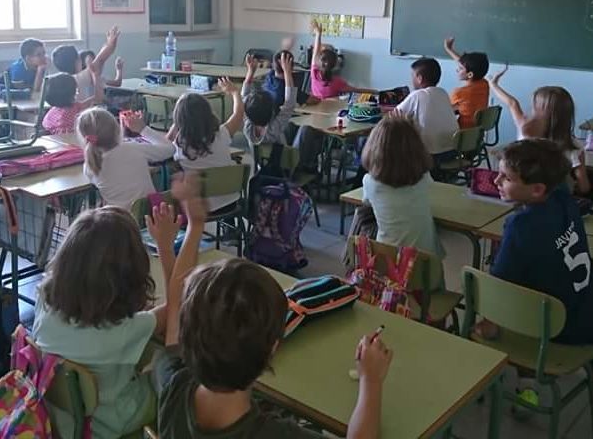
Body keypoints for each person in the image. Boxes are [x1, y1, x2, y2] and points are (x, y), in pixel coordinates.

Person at [152, 180, 393, 439]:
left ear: (188, 336)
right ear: (273, 349)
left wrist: (195, 228)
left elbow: (176, 310)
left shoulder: (173, 386)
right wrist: (371, 381)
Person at [481, 139, 593, 433]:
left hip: (553, 327)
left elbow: (499, 285)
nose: (496, 180)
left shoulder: (520, 227)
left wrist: (487, 324)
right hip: (591, 312)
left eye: (507, 177)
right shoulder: (564, 199)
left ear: (537, 189)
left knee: (519, 318)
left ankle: (526, 385)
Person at [33, 202, 174, 438]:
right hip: (110, 423)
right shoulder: (119, 332)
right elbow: (175, 308)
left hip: (59, 420)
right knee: (170, 370)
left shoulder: (43, 302)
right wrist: (166, 248)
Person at [489, 66, 591, 195]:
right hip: (555, 202)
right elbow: (584, 187)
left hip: (521, 198)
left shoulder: (526, 134)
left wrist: (493, 84)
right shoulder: (574, 147)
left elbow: (512, 103)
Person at [360, 114, 444, 258]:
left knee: (365, 219)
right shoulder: (424, 177)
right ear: (417, 148)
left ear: (374, 149)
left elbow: (366, 203)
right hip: (428, 262)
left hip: (389, 260)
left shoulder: (370, 182)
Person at [168, 79, 244, 212]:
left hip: (200, 208)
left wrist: (178, 123)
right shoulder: (221, 134)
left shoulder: (180, 146)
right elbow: (238, 114)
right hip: (231, 201)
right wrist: (235, 93)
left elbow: (165, 144)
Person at [78, 107, 175, 211]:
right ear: (116, 128)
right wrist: (143, 129)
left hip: (120, 221)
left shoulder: (90, 165)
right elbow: (170, 149)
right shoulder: (133, 148)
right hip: (150, 215)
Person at [393, 57, 458, 168]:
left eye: (412, 76)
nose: (411, 80)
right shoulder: (443, 93)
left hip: (428, 155)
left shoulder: (417, 95)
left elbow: (395, 115)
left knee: (388, 146)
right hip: (453, 151)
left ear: (419, 78)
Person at [242, 52, 298, 148]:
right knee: (301, 129)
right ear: (272, 111)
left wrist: (250, 71)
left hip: (257, 163)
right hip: (282, 162)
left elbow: (244, 97)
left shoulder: (248, 128)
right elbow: (290, 103)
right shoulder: (273, 130)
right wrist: (287, 72)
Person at [309, 20, 375, 99]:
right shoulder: (337, 82)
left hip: (315, 107)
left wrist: (318, 34)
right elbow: (356, 90)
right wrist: (376, 92)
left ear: (319, 62)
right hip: (331, 109)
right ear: (335, 65)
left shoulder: (314, 73)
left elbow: (315, 51)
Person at [443, 37, 490, 129]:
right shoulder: (484, 84)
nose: (457, 70)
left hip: (461, 134)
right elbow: (466, 65)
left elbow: (444, 110)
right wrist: (449, 50)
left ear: (470, 74)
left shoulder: (459, 92)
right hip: (475, 134)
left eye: (460, 69)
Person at [42, 71, 103, 136]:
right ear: (71, 93)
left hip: (56, 142)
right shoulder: (76, 108)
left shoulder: (52, 112)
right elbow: (98, 97)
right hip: (71, 141)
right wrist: (96, 76)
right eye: (76, 88)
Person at [76, 27, 122, 102]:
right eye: (92, 62)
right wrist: (110, 45)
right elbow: (101, 59)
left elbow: (117, 83)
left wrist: (119, 70)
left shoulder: (98, 78)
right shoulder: (85, 79)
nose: (99, 65)